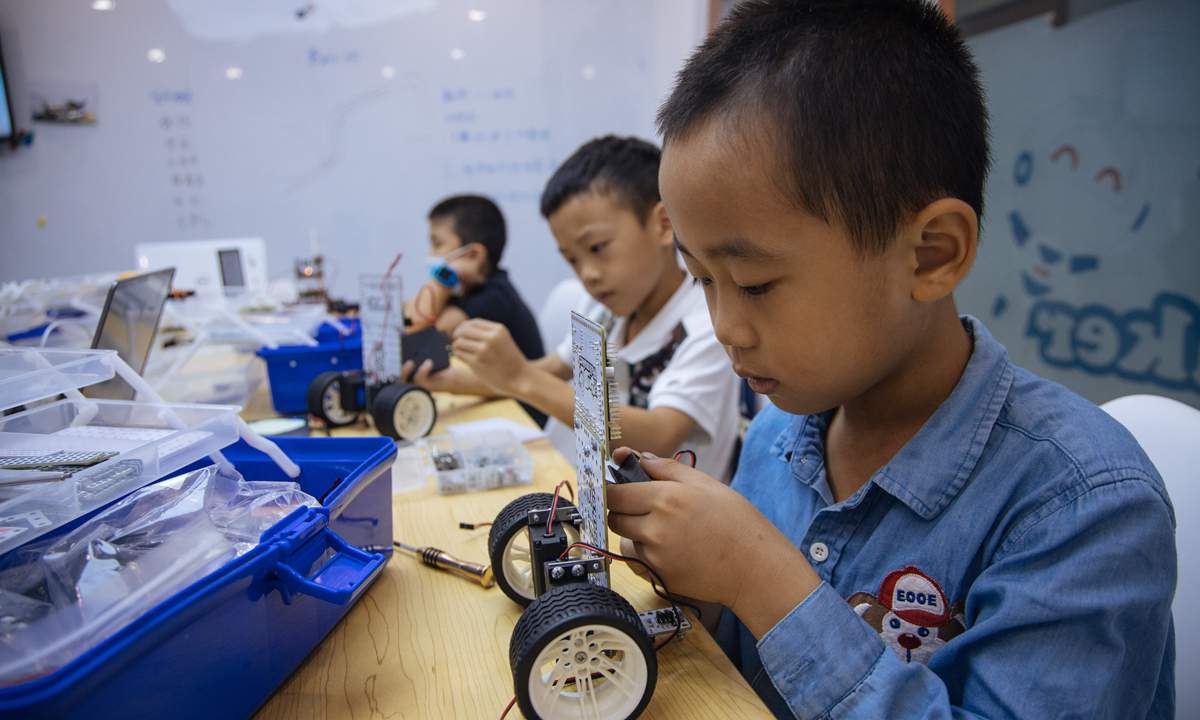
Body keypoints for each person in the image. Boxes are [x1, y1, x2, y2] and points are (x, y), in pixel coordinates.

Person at [604, 2, 1177, 718]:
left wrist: (758, 576)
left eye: (754, 284)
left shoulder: (1083, 506)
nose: (726, 329)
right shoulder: (783, 434)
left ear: (932, 254)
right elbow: (751, 670)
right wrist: (702, 586)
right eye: (701, 280)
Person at [408, 136, 742, 480]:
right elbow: (549, 370)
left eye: (597, 248)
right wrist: (448, 381)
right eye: (571, 259)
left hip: (659, 527)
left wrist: (519, 377)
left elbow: (658, 432)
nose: (588, 275)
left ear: (662, 224)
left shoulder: (708, 325)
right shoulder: (607, 310)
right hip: (579, 488)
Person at [405, 194, 543, 361]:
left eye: (438, 245)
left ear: (473, 255)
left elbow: (414, 341)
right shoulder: (464, 290)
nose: (430, 254)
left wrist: (443, 278)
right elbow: (409, 318)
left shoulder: (494, 298)